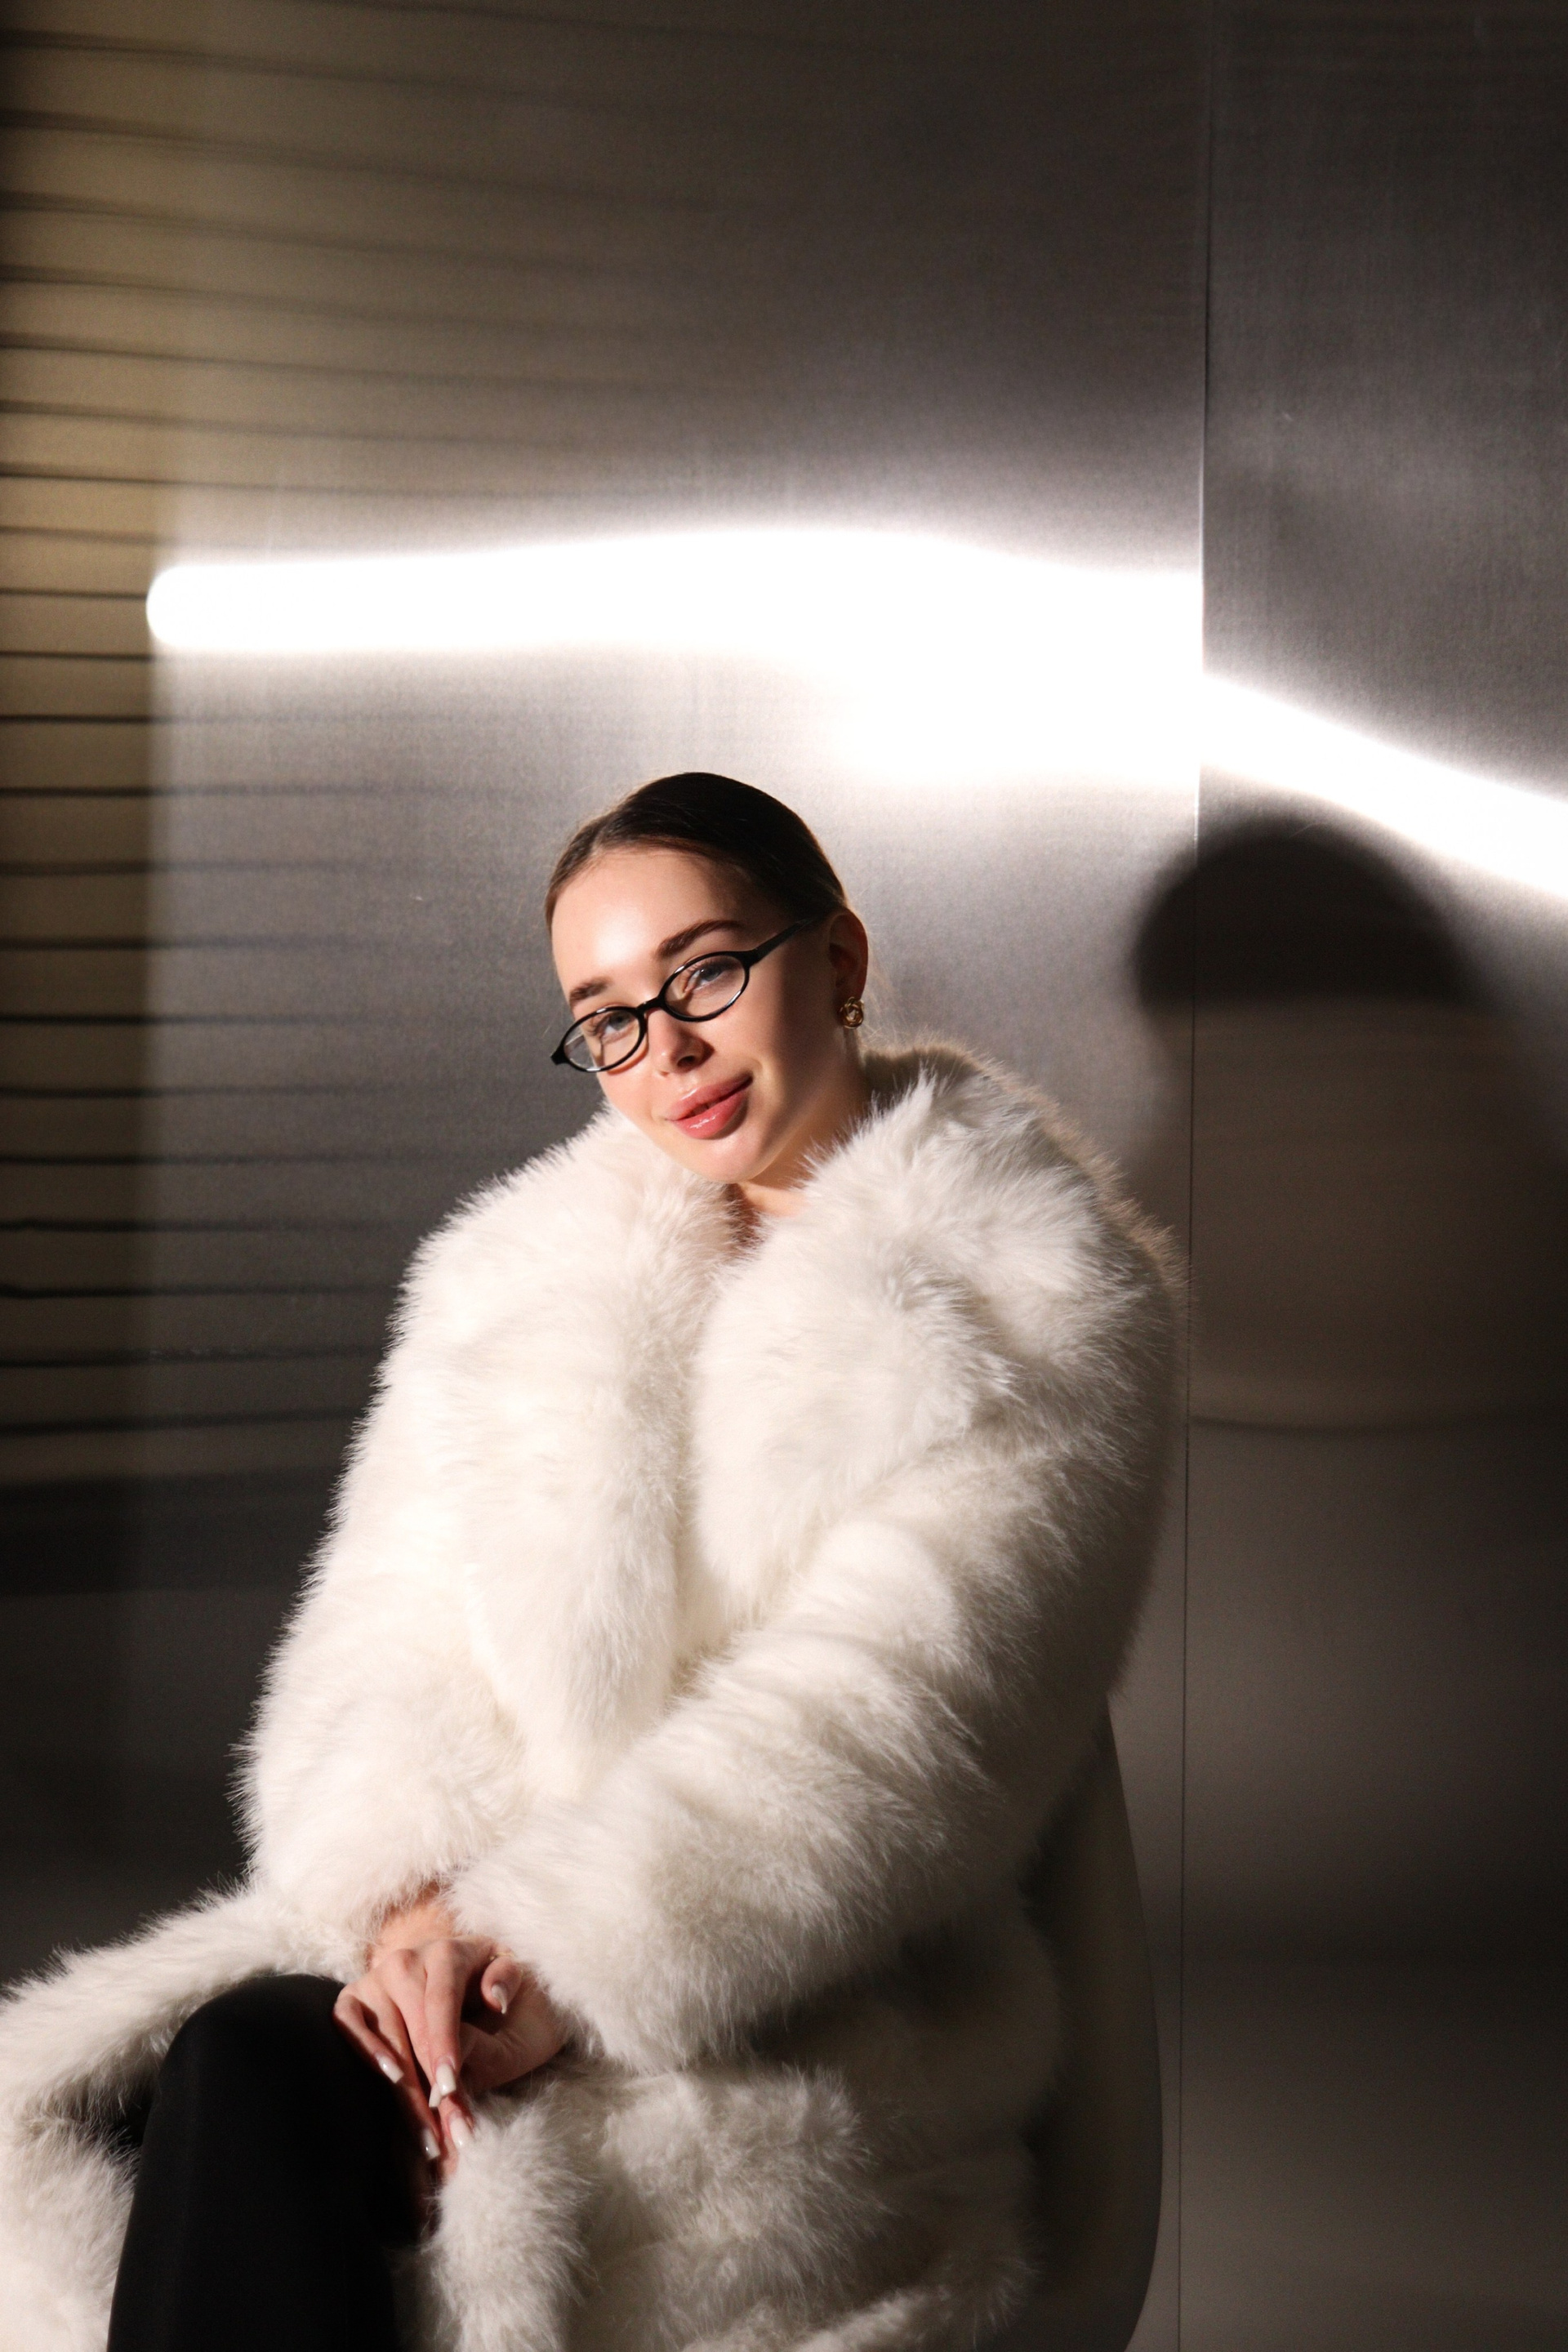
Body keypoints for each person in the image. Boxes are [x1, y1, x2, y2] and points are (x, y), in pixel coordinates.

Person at [0, 773, 1179, 2352]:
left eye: (706, 973)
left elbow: (887, 1723)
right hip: (461, 1946)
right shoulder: (514, 1277)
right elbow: (390, 1638)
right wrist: (410, 1910)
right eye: (608, 1019)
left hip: (791, 2008)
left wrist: (560, 1957)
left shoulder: (1033, 1294)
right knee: (200, 2086)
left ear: (837, 958)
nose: (666, 1050)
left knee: (263, 2123)